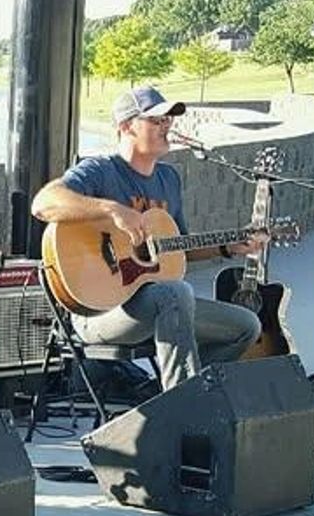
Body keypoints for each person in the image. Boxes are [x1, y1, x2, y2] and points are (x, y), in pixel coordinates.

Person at [30, 86, 263, 391]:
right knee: (175, 293)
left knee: (246, 326)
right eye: (156, 120)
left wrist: (227, 246)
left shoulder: (169, 179)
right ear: (126, 126)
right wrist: (111, 209)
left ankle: (158, 397)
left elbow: (176, 248)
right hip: (99, 313)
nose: (167, 125)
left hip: (162, 303)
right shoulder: (100, 171)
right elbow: (42, 204)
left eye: (168, 120)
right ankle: (188, 405)